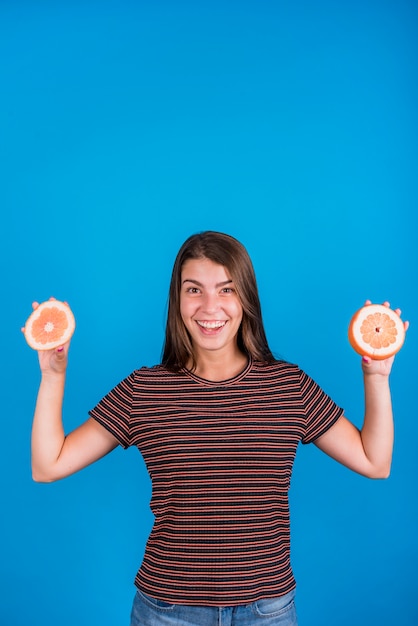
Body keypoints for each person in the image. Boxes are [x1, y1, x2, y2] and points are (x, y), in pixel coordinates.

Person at [28, 231, 408, 626]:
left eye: (226, 290)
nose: (210, 307)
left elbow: (374, 461)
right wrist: (53, 374)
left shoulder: (288, 386)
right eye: (194, 289)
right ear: (177, 299)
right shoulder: (145, 389)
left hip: (267, 611)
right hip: (167, 611)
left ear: (246, 298)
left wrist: (376, 375)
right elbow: (48, 465)